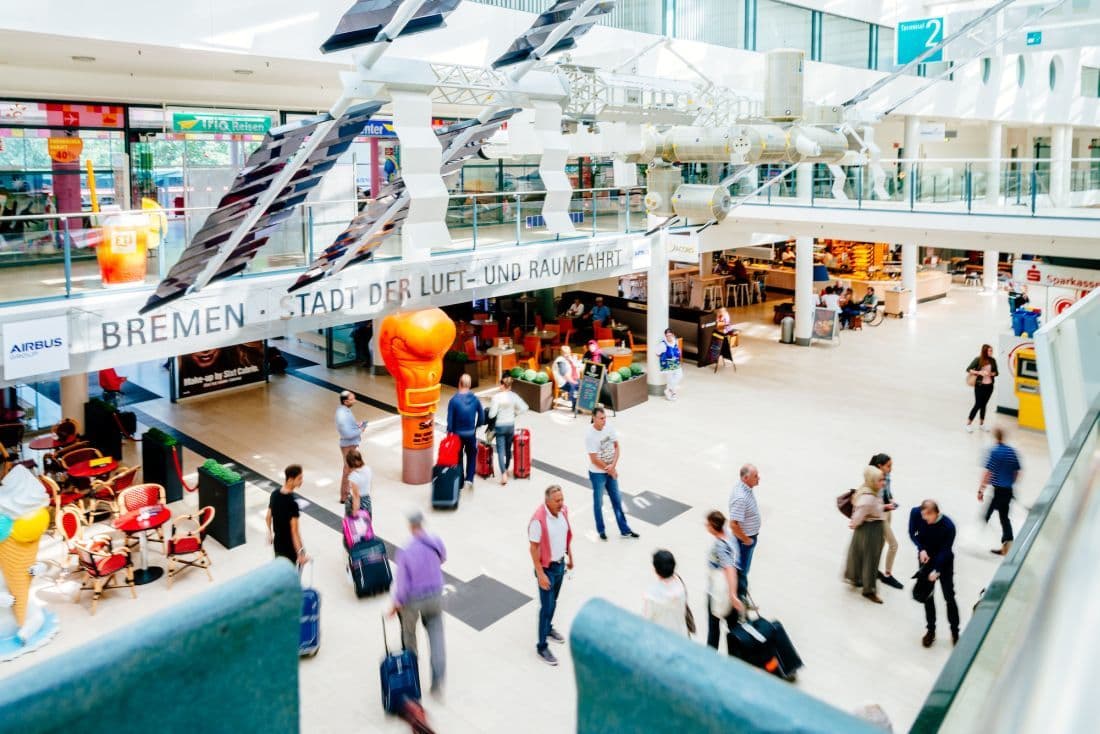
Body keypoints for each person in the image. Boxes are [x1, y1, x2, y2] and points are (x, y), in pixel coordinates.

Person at [392, 510, 447, 695]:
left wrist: (396, 603)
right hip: (435, 595)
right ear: (422, 524)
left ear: (410, 526)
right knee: (436, 635)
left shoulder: (406, 552)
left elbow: (402, 585)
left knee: (409, 634)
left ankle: (411, 675)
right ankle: (437, 680)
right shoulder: (435, 541)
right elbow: (443, 558)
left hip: (413, 600)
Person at [529, 486, 574, 666]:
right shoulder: (538, 521)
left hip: (559, 564)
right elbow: (533, 549)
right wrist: (540, 574)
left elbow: (565, 536)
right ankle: (541, 646)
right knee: (546, 607)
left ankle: (548, 628)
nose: (561, 503)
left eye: (562, 499)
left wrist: (570, 556)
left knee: (554, 602)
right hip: (546, 568)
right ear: (547, 501)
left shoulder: (563, 511)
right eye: (557, 501)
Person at [909, 500, 960, 647]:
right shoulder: (916, 513)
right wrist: (921, 549)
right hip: (926, 559)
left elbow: (946, 550)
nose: (924, 520)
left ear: (935, 513)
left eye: (927, 517)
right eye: (922, 516)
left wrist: (937, 569)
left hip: (944, 563)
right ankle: (931, 630)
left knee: (949, 596)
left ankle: (955, 631)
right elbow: (912, 533)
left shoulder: (949, 526)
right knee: (928, 597)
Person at [585, 407, 639, 541]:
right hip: (597, 474)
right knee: (598, 503)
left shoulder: (609, 427)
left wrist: (613, 466)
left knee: (617, 500)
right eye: (601, 418)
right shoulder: (590, 435)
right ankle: (601, 530)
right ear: (594, 418)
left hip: (610, 471)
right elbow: (594, 459)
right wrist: (610, 470)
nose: (604, 421)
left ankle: (625, 530)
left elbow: (617, 446)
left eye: (605, 418)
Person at [844, 466, 887, 604]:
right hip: (871, 530)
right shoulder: (868, 497)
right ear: (872, 481)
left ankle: (855, 578)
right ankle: (869, 590)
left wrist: (885, 507)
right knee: (871, 560)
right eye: (880, 480)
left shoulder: (870, 490)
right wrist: (854, 523)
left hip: (867, 527)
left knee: (857, 554)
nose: (883, 483)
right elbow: (860, 513)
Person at [704, 510, 744, 652]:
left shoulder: (720, 546)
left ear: (714, 526)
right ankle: (737, 655)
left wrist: (732, 595)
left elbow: (730, 569)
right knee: (733, 628)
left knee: (714, 630)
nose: (705, 526)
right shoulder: (729, 536)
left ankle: (710, 658)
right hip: (731, 590)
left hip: (719, 593)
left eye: (707, 524)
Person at [980, 427, 1021, 556]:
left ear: (994, 437)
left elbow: (989, 472)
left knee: (986, 515)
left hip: (998, 491)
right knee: (1004, 517)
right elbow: (1016, 471)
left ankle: (977, 540)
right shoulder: (1011, 451)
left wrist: (981, 489)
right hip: (1007, 490)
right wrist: (1010, 483)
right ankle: (1007, 545)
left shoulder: (995, 452)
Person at [446, 373, 485, 489]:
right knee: (472, 455)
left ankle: (460, 481)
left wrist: (450, 433)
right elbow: (482, 416)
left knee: (458, 457)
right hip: (470, 433)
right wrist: (476, 426)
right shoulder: (475, 399)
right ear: (469, 385)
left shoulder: (453, 401)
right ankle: (470, 479)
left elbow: (450, 420)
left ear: (459, 383)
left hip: (458, 434)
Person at [728, 464, 761, 597]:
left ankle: (741, 595)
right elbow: (733, 524)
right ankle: (739, 598)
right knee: (741, 570)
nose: (759, 478)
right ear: (746, 478)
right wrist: (747, 540)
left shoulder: (746, 488)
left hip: (748, 539)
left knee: (743, 570)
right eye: (755, 476)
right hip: (744, 541)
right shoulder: (741, 497)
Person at [870, 454, 903, 590]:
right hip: (880, 515)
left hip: (888, 512)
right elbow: (873, 502)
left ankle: (874, 569)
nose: (891, 469)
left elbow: (887, 493)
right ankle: (887, 576)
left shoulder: (887, 476)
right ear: (880, 466)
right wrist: (886, 506)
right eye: (888, 466)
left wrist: (890, 500)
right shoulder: (874, 479)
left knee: (882, 542)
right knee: (893, 545)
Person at [487, 376, 528, 485]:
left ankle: (503, 473)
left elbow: (492, 415)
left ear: (502, 385)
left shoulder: (496, 397)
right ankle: (506, 467)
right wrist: (514, 414)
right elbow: (524, 408)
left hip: (500, 426)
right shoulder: (514, 396)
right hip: (510, 426)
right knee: (508, 449)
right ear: (510, 386)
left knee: (500, 450)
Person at [266, 464, 309, 566]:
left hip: (278, 544)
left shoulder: (275, 494)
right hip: (289, 548)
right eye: (299, 478)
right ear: (290, 480)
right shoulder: (292, 503)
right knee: (289, 575)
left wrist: (270, 532)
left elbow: (268, 517)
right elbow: (294, 531)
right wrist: (301, 553)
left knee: (279, 571)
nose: (301, 481)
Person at [642, 549, 690, 636]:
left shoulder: (651, 594)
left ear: (655, 570)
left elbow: (646, 620)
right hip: (681, 635)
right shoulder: (680, 585)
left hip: (661, 638)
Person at [335, 390, 367, 504]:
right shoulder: (342, 415)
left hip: (350, 444)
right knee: (348, 469)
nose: (355, 401)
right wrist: (360, 430)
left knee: (350, 468)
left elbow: (348, 427)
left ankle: (350, 492)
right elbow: (347, 434)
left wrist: (356, 425)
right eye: (352, 399)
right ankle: (345, 496)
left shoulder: (344, 411)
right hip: (348, 445)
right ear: (345, 401)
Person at [965, 344, 998, 432]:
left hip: (989, 386)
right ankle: (968, 424)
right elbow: (968, 369)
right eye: (989, 351)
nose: (991, 352)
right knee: (978, 404)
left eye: (992, 350)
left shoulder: (993, 360)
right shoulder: (978, 360)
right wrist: (979, 372)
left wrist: (991, 374)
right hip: (980, 385)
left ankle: (982, 424)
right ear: (985, 351)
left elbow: (996, 372)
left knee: (984, 405)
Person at [551, 345, 581, 411]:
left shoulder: (567, 359)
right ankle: (575, 406)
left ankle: (580, 404)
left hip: (569, 379)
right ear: (562, 353)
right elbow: (564, 374)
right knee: (577, 386)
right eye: (565, 353)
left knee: (582, 383)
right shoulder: (560, 361)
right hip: (563, 382)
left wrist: (572, 361)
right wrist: (573, 381)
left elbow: (576, 368)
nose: (568, 354)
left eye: (569, 353)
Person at [656, 328, 683, 401]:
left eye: (670, 335)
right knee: (670, 378)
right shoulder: (663, 344)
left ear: (673, 335)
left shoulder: (675, 341)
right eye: (667, 336)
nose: (669, 337)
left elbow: (678, 351)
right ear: (665, 336)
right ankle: (672, 393)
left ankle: (668, 389)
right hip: (667, 364)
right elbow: (657, 353)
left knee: (679, 375)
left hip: (676, 363)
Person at [344, 449, 372, 517]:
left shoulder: (354, 476)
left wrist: (354, 512)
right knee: (366, 524)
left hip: (357, 503)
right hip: (367, 500)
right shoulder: (367, 469)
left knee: (352, 526)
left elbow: (356, 496)